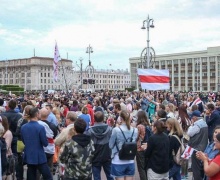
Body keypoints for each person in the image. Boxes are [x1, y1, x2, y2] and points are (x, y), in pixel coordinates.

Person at [21, 107, 52, 180]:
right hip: (39, 155)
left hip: (29, 154)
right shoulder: (40, 127)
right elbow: (45, 143)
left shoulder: (23, 127)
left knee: (31, 175)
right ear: (37, 114)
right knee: (47, 176)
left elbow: (23, 140)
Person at [109, 110, 138, 180]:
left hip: (118, 159)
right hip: (130, 159)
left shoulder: (116, 130)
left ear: (121, 118)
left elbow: (110, 145)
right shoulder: (135, 130)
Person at [88, 111, 113, 180]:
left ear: (94, 119)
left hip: (95, 156)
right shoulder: (110, 129)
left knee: (96, 177)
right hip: (107, 155)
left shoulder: (90, 131)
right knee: (110, 176)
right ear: (103, 118)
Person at [187, 110, 208, 180]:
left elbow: (189, 133)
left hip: (196, 148)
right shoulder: (204, 123)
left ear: (195, 117)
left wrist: (191, 125)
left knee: (196, 168)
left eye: (192, 118)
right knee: (199, 167)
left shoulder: (197, 125)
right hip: (203, 146)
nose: (191, 119)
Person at [136, 110, 151, 180]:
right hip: (147, 146)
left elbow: (136, 137)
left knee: (141, 168)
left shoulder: (139, 126)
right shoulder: (148, 125)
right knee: (146, 166)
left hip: (140, 148)